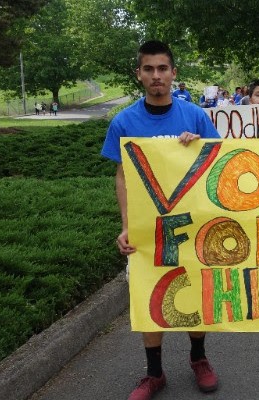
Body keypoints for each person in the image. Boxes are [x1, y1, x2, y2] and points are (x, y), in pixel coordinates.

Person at [100, 40, 220, 400]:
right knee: (149, 295)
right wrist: (126, 225)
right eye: (148, 69)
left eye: (162, 69)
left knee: (194, 292)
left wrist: (199, 146)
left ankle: (199, 358)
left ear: (173, 74)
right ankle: (154, 373)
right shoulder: (124, 121)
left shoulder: (196, 116)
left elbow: (217, 166)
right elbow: (122, 175)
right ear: (139, 74)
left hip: (192, 224)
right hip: (148, 231)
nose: (156, 76)